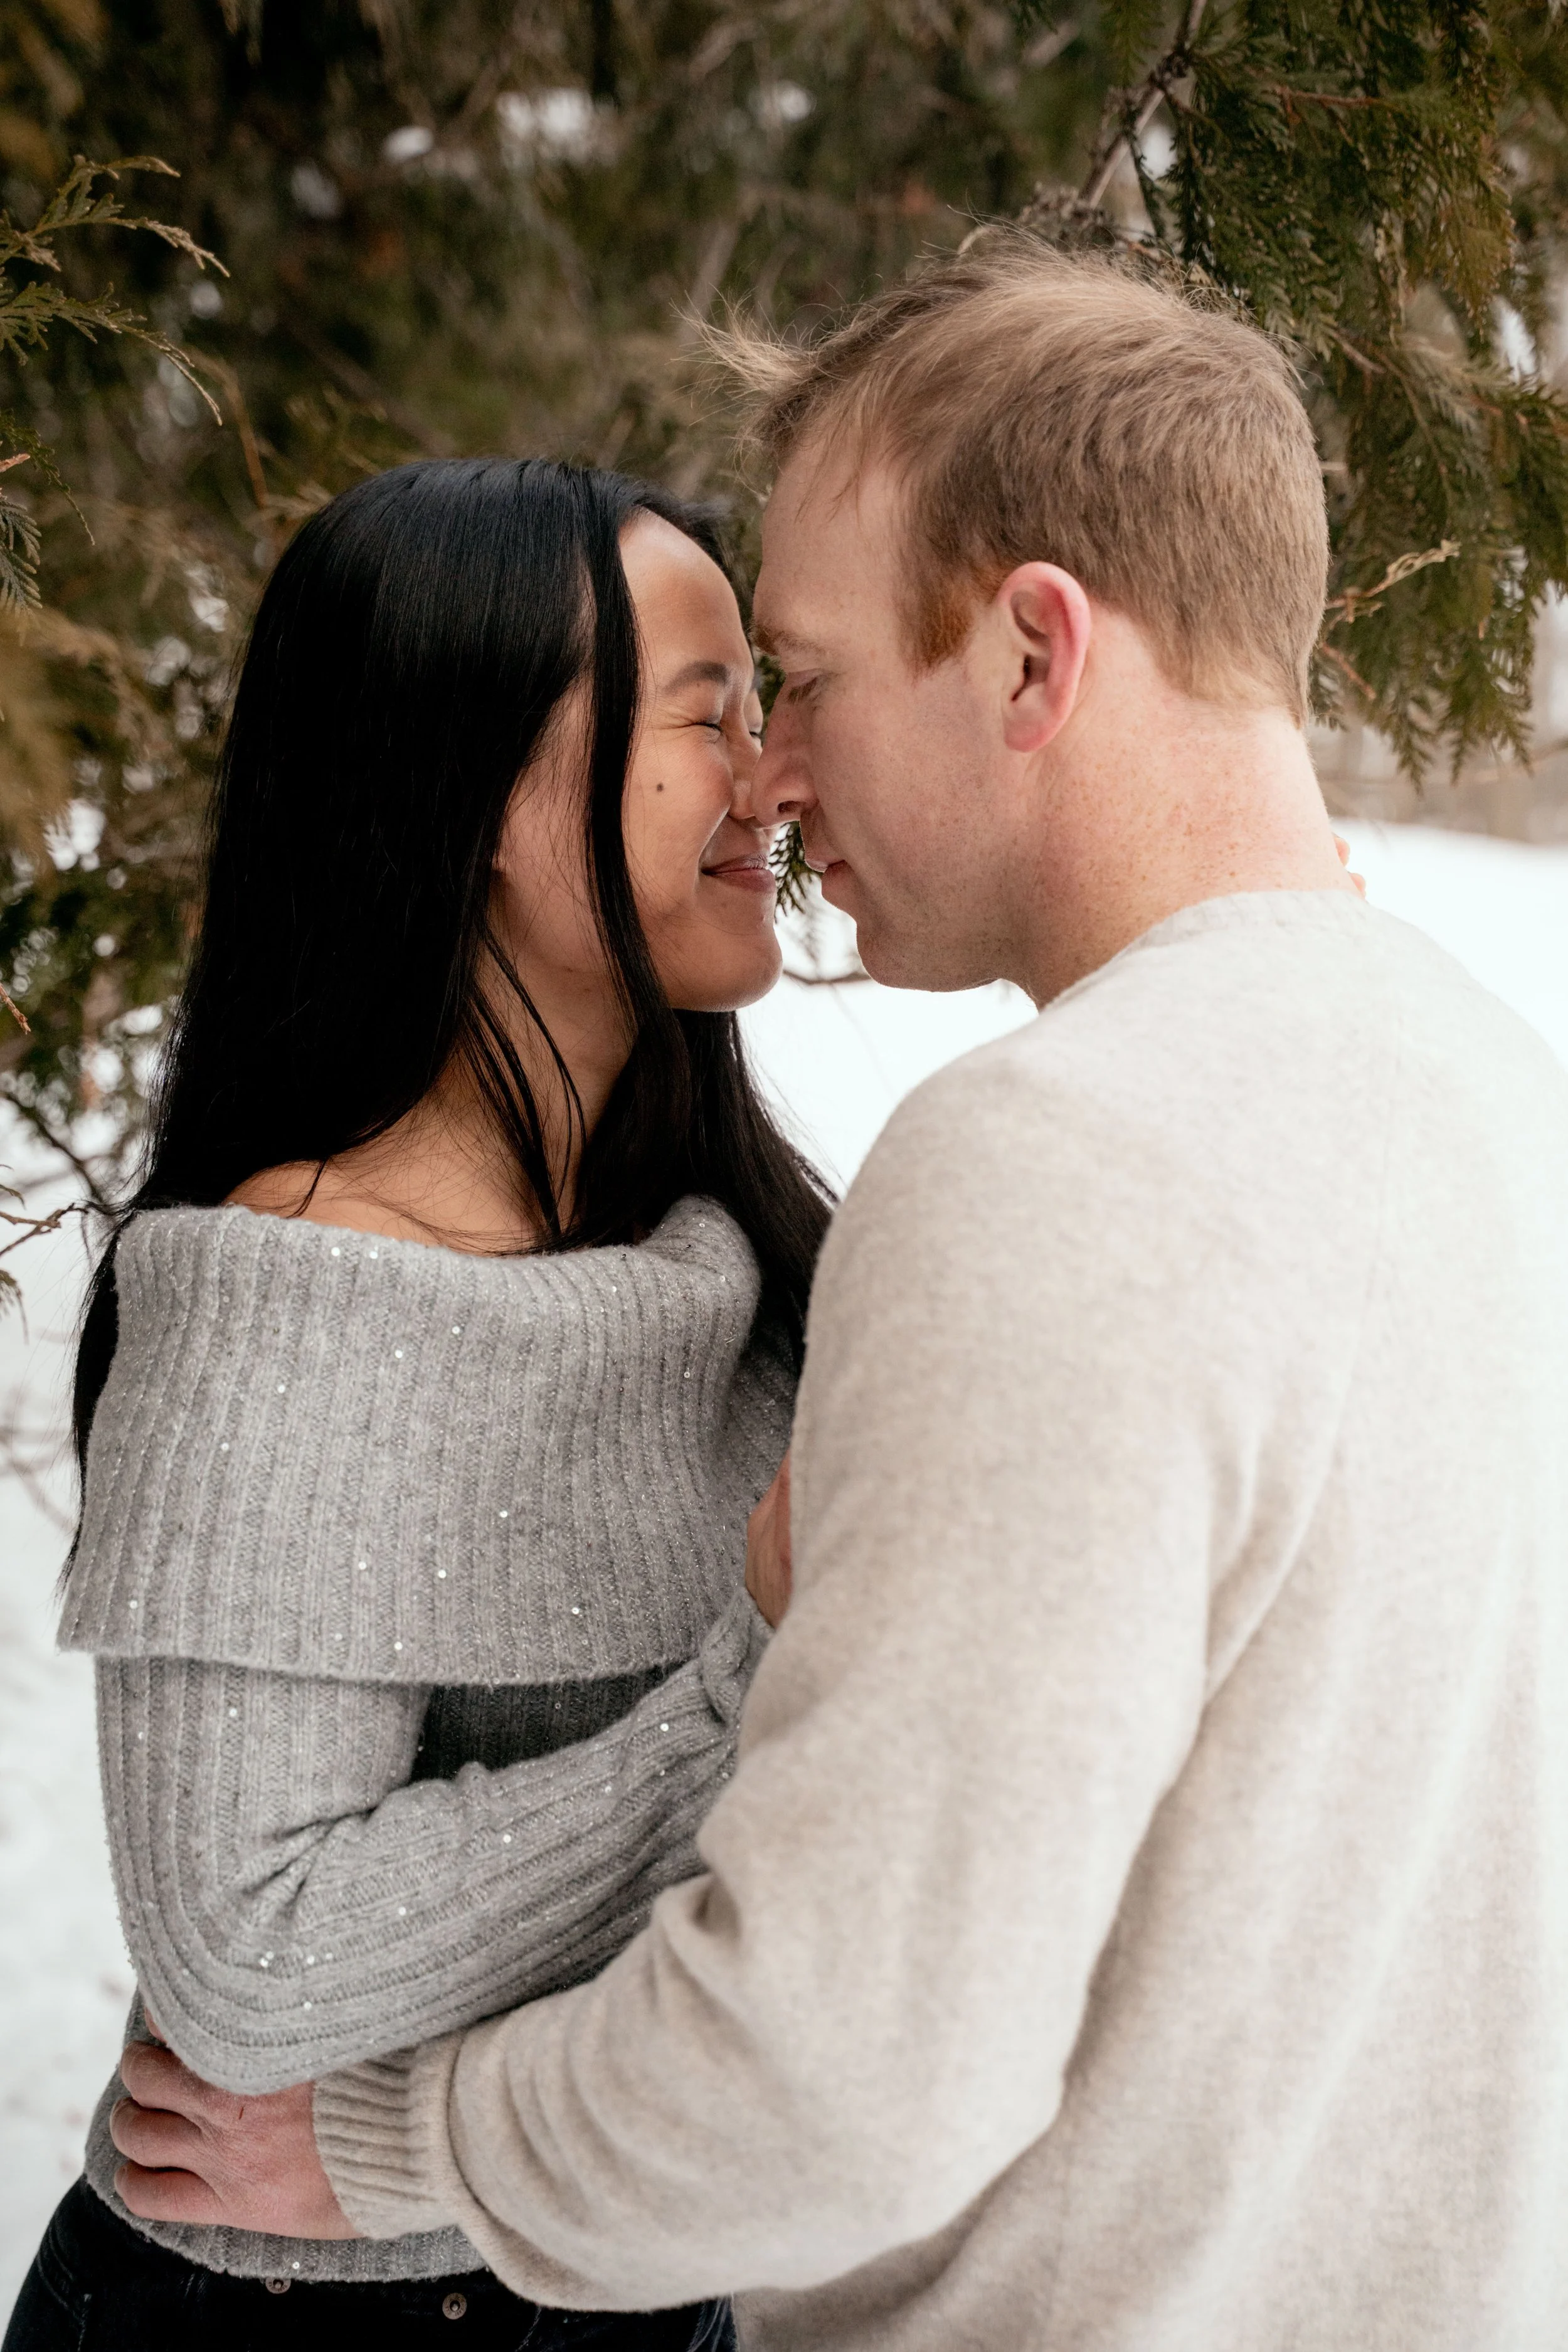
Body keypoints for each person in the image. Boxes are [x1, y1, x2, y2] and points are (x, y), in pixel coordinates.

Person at [88, 241, 1568, 2348]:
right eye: (721, 708)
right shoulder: (1495, 1091)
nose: (778, 776)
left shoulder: (1049, 1162)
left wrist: (408, 2139)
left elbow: (849, 2061)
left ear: (1035, 658)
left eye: (794, 678)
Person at [3, 456, 830, 2350]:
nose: (772, 778)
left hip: (615, 2263)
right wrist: (751, 1677)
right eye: (705, 715)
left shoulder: (734, 1244)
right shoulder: (293, 1303)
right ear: (470, 798)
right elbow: (250, 1960)